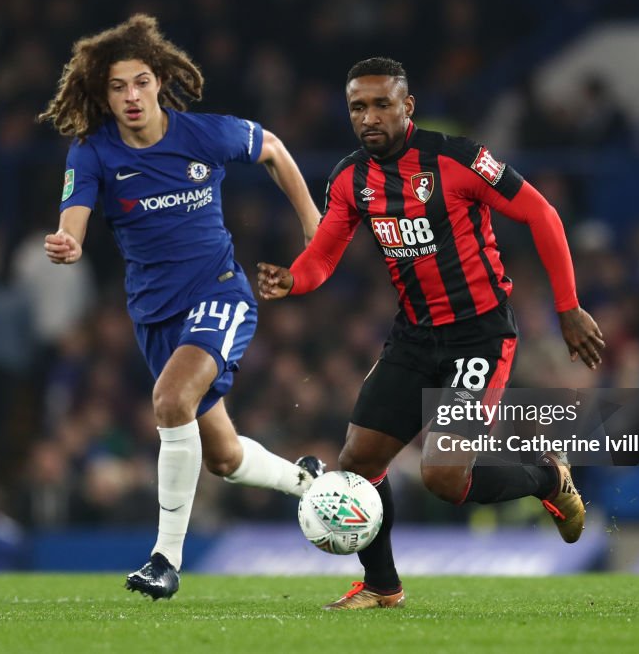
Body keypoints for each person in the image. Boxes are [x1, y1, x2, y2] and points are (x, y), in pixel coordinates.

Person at [258, 57, 605, 610]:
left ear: (406, 106)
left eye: (380, 104)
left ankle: (546, 479)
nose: (368, 117)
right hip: (415, 336)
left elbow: (542, 214)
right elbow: (323, 257)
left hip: (479, 338)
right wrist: (292, 279)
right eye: (357, 107)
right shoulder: (350, 179)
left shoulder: (459, 159)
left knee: (443, 476)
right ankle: (382, 586)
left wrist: (568, 307)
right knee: (358, 461)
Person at [37, 14, 324, 600]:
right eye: (118, 87)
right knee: (220, 455)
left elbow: (272, 148)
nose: (131, 96)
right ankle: (305, 481)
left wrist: (314, 224)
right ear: (104, 94)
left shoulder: (203, 134)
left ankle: (165, 560)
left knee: (170, 400)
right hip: (155, 316)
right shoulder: (93, 153)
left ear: (159, 81)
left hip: (219, 292)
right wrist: (69, 242)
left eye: (140, 82)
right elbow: (75, 219)